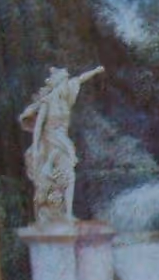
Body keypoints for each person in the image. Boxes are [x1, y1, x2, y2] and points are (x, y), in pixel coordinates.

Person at [19, 65, 103, 226]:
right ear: (58, 84)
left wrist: (96, 71)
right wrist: (36, 148)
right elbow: (38, 128)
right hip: (50, 141)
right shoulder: (47, 102)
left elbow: (80, 79)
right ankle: (47, 214)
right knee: (51, 177)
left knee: (69, 175)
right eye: (64, 81)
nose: (68, 85)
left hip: (62, 140)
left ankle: (68, 213)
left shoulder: (66, 99)